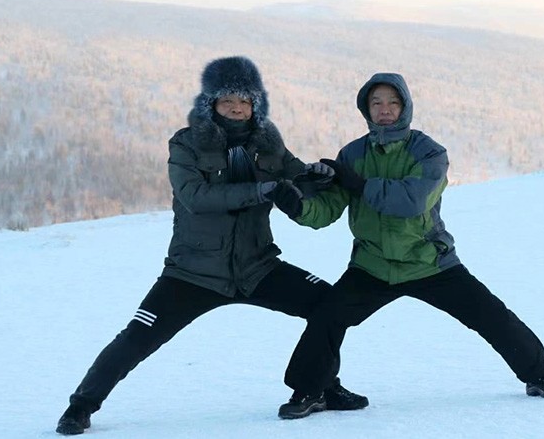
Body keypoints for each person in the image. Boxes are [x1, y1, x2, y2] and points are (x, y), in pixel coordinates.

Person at [55, 56, 367, 435]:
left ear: (256, 106)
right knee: (137, 337)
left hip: (257, 268)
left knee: (330, 305)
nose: (237, 109)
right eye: (227, 101)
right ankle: (80, 407)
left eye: (245, 102)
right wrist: (258, 190)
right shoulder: (186, 144)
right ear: (211, 105)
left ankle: (319, 388)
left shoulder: (269, 146)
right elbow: (196, 197)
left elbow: (294, 175)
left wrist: (317, 177)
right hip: (193, 273)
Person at [275, 72, 544, 419]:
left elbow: (411, 202)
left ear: (405, 106)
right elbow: (326, 211)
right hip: (373, 265)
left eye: (392, 102)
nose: (384, 109)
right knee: (327, 316)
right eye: (376, 103)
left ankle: (538, 375)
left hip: (429, 261)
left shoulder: (429, 152)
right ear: (366, 109)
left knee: (490, 315)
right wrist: (298, 204)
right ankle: (311, 392)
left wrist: (357, 182)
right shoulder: (353, 153)